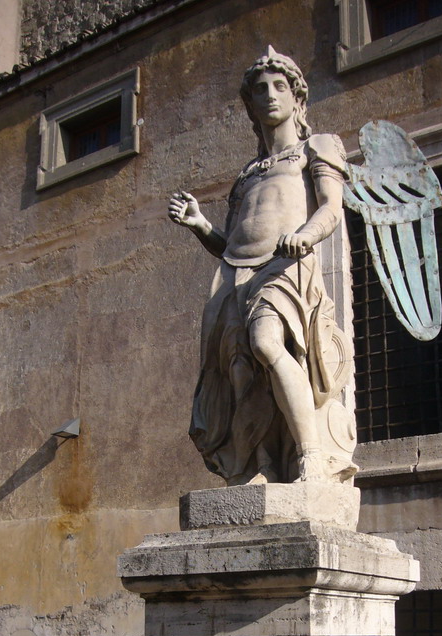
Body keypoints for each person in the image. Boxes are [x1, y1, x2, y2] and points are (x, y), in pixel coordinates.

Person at [168, 46, 356, 486]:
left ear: (297, 98)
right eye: (259, 90)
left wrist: (306, 235)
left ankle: (311, 456)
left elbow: (331, 207)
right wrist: (199, 225)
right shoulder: (248, 173)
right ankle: (263, 463)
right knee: (239, 370)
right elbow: (228, 243)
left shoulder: (317, 148)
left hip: (284, 265)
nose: (270, 95)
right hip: (235, 273)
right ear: (250, 105)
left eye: (279, 87)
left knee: (268, 343)